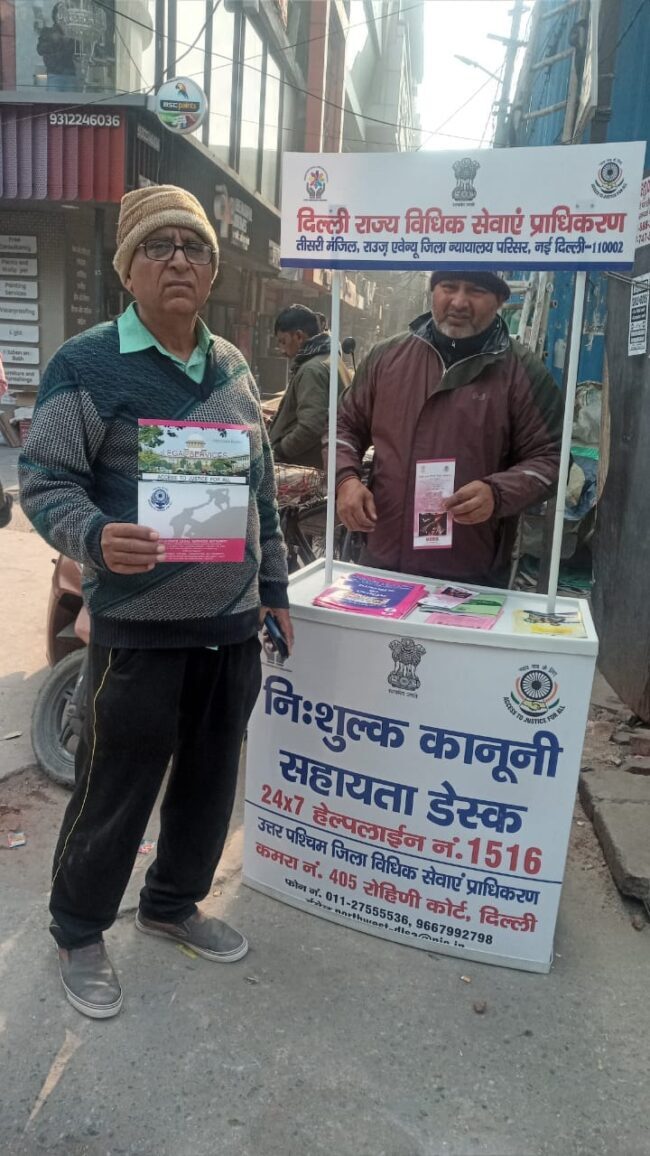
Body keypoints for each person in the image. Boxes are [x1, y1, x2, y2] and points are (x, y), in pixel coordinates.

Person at [19, 185, 292, 1020]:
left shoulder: (236, 368)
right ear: (127, 267)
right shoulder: (87, 362)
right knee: (116, 784)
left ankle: (172, 903)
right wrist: (96, 536)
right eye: (160, 246)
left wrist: (274, 588)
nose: (180, 259)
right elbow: (44, 483)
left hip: (231, 626)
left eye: (196, 247)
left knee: (211, 782)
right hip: (137, 627)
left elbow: (263, 493)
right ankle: (77, 926)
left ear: (213, 270)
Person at [332, 270, 563, 586]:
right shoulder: (387, 358)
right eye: (448, 287)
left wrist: (497, 493)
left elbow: (552, 459)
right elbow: (343, 426)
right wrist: (345, 479)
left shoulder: (522, 372)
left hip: (469, 571)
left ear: (500, 300)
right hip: (381, 557)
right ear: (433, 291)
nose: (459, 302)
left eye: (476, 290)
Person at [270, 304, 350, 469]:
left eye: (283, 341)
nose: (281, 350)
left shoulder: (312, 370)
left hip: (306, 468)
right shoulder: (331, 360)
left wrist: (280, 450)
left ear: (299, 336)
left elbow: (311, 427)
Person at [37, 3, 76, 90]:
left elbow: (77, 54)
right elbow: (40, 50)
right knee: (53, 102)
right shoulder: (48, 32)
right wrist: (53, 40)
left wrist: (69, 39)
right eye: (60, 13)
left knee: (71, 102)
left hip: (70, 75)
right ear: (55, 15)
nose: (62, 16)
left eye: (65, 13)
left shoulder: (74, 33)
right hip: (54, 74)